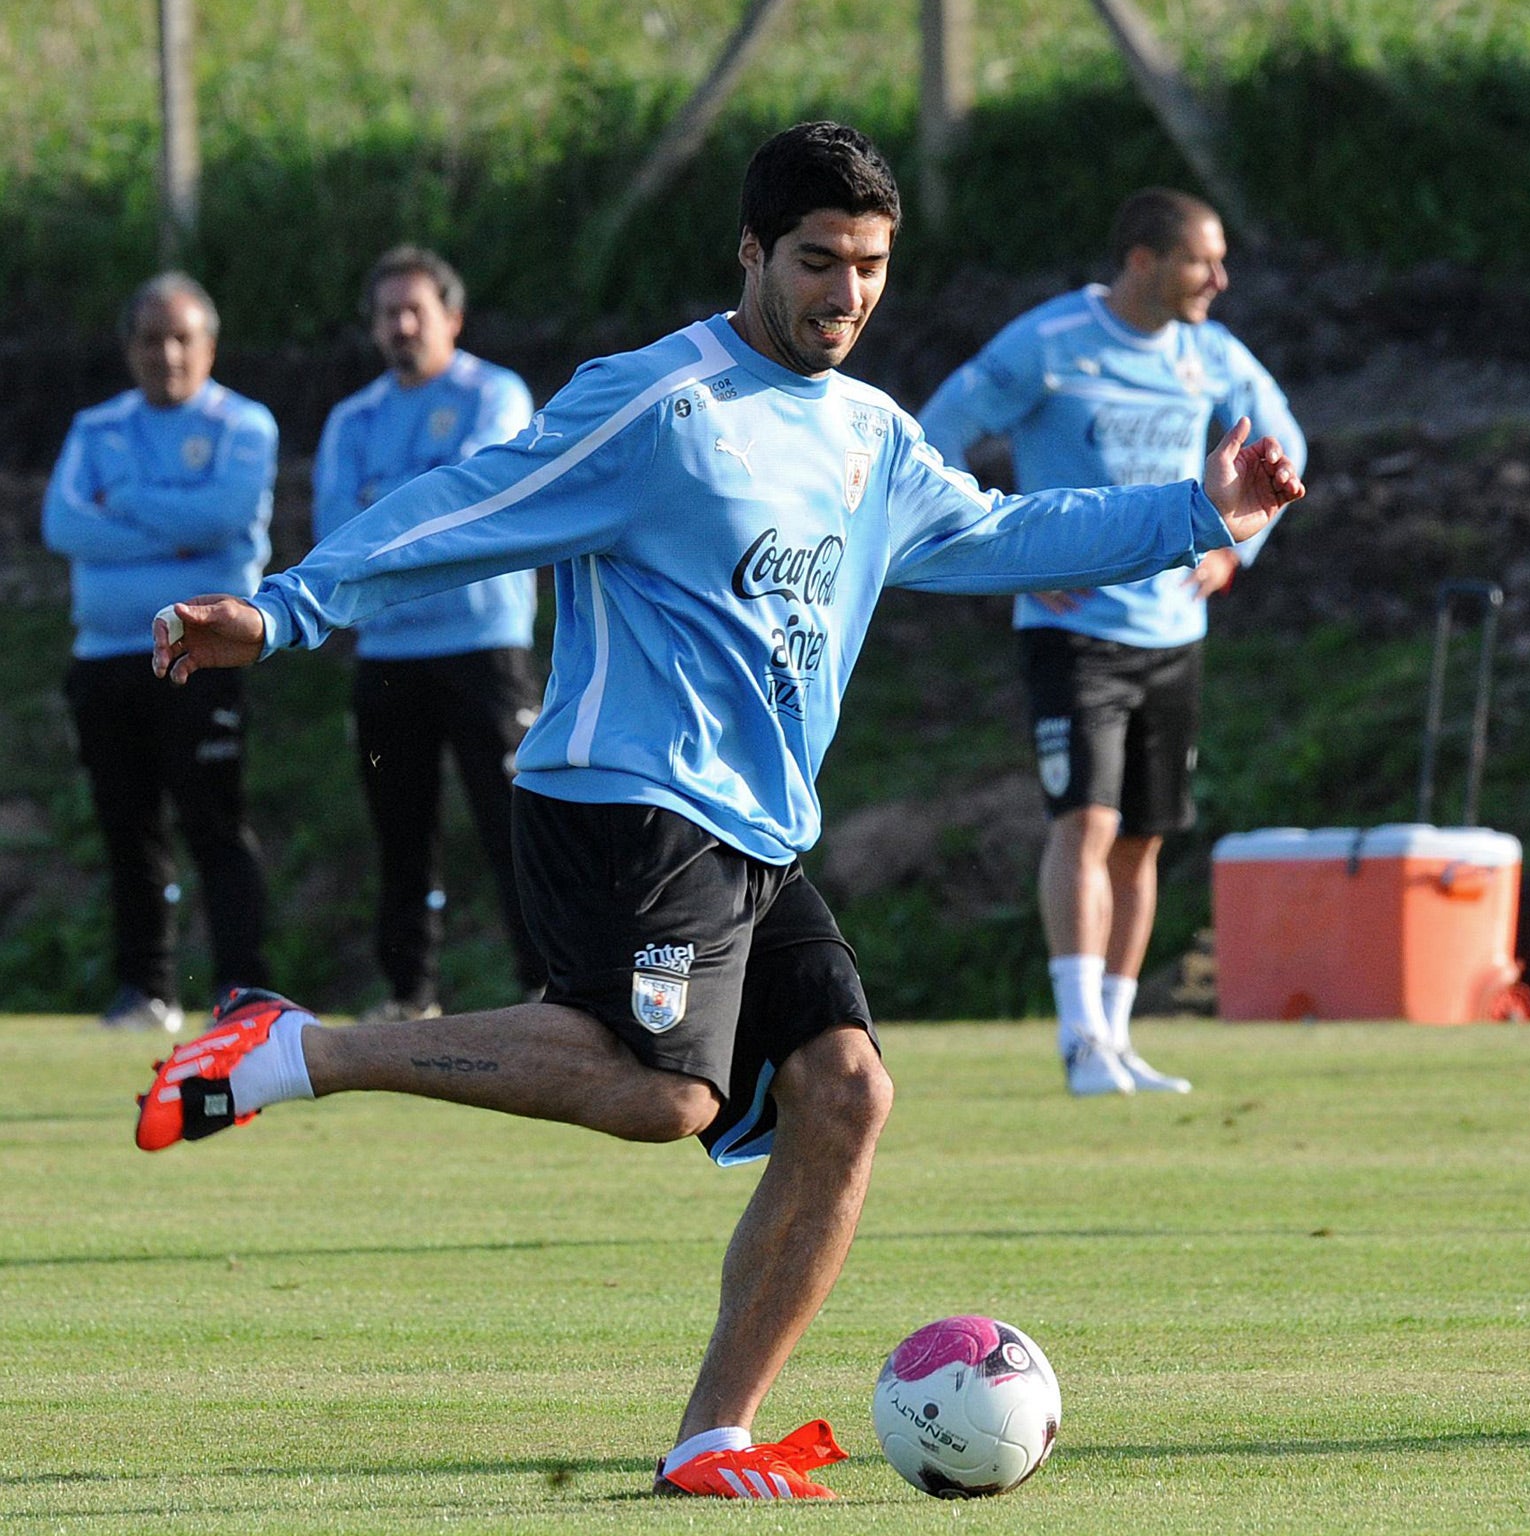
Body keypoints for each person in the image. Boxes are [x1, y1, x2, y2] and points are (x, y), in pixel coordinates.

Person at [134, 123, 1302, 1501]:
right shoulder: (659, 403)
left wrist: (1196, 513)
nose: (847, 294)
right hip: (625, 795)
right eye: (818, 262)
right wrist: (285, 609)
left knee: (845, 1093)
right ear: (752, 253)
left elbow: (999, 535)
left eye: (870, 267)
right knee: (669, 1093)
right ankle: (299, 1053)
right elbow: (472, 501)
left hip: (756, 829)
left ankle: (711, 1436)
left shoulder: (873, 434)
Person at [919, 189, 1305, 1097]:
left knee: (1143, 839)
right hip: (1073, 630)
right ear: (1141, 260)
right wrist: (1011, 545)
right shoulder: (1049, 344)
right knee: (1084, 823)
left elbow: (1284, 441)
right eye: (1200, 260)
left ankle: (1119, 1039)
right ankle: (1078, 1038)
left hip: (1174, 633)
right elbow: (931, 438)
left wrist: (1241, 544)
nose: (1220, 278)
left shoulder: (1210, 355)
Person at [314, 246, 546, 1021]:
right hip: (387, 653)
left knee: (517, 823)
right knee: (400, 834)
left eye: (416, 310)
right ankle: (409, 994)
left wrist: (389, 502)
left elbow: (478, 502)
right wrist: (423, 495)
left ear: (453, 316)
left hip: (485, 643)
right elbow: (336, 532)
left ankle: (549, 988)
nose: (402, 326)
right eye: (388, 314)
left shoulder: (494, 394)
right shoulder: (353, 419)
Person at [42, 273, 277, 1033]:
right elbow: (66, 528)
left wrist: (130, 501)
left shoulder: (245, 425)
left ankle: (244, 989)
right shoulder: (95, 429)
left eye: (182, 338)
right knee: (126, 826)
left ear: (209, 345)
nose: (166, 354)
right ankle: (144, 989)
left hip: (202, 655)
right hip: (105, 656)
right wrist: (173, 532)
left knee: (216, 824)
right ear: (129, 348)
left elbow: (225, 516)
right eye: (151, 338)